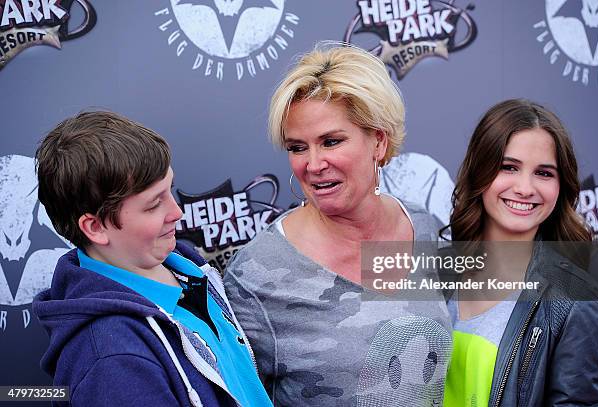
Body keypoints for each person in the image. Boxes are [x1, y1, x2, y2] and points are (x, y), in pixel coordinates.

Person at [223, 43, 452, 406]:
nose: (313, 164)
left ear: (378, 140)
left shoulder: (422, 227)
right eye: (298, 147)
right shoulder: (255, 277)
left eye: (331, 142)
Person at [32, 111, 272, 407]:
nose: (177, 212)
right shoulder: (111, 361)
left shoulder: (191, 269)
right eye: (154, 204)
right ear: (95, 227)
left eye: (169, 190)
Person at [441, 99, 598, 406]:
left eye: (544, 173)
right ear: (480, 172)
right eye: (509, 167)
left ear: (561, 186)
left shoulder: (575, 302)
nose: (525, 188)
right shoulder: (435, 272)